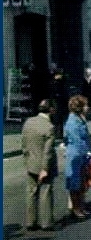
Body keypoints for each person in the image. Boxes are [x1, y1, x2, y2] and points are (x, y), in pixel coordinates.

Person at [21, 99, 58, 232]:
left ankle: (31, 222)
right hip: (43, 165)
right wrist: (44, 169)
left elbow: (24, 144)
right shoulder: (49, 127)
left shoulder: (28, 122)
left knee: (31, 192)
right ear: (51, 110)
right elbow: (47, 151)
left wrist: (27, 160)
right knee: (45, 192)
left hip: (30, 163)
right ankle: (47, 222)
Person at [63, 95, 91, 219]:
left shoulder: (80, 119)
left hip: (81, 155)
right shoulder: (72, 122)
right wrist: (88, 152)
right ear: (79, 108)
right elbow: (77, 141)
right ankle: (76, 209)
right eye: (85, 105)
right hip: (75, 155)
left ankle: (81, 206)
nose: (88, 107)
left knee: (82, 183)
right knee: (74, 184)